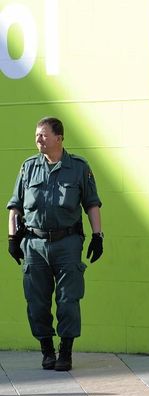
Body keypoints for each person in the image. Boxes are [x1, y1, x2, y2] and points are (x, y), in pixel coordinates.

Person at [7, 117, 103, 372]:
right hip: (34, 245)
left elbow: (91, 203)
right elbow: (15, 206)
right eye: (37, 134)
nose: (38, 139)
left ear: (59, 138)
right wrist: (12, 238)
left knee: (68, 299)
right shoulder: (28, 167)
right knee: (36, 301)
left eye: (43, 135)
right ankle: (47, 350)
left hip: (67, 243)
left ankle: (66, 352)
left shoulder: (79, 168)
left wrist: (97, 236)